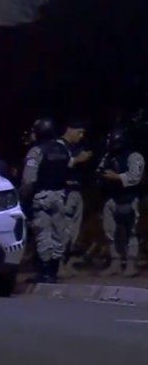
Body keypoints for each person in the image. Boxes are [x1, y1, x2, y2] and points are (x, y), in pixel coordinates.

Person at [21, 118, 71, 283]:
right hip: (61, 196)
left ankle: (45, 272)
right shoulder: (63, 149)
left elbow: (29, 180)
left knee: (43, 233)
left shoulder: (36, 151)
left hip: (42, 196)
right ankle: (54, 271)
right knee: (59, 232)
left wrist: (23, 198)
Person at [97, 128, 145, 277]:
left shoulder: (134, 156)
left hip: (129, 197)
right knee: (111, 231)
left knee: (131, 231)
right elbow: (100, 170)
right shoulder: (108, 156)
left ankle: (131, 264)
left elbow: (135, 177)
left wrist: (117, 177)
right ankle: (115, 262)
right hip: (111, 197)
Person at [60, 119, 93, 277]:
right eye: (79, 132)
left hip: (77, 190)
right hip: (64, 191)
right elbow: (58, 166)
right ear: (69, 129)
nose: (81, 136)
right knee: (63, 230)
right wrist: (78, 159)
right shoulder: (59, 146)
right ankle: (58, 264)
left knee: (73, 231)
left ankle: (66, 262)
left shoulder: (77, 147)